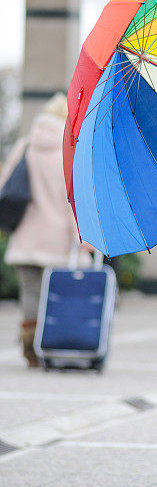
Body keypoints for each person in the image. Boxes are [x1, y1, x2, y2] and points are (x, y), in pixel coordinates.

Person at [0, 93, 91, 367]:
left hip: (25, 237)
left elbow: (6, 187)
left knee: (30, 292)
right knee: (56, 296)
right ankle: (51, 342)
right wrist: (81, 236)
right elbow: (70, 201)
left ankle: (29, 343)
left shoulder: (24, 146)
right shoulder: (66, 151)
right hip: (58, 242)